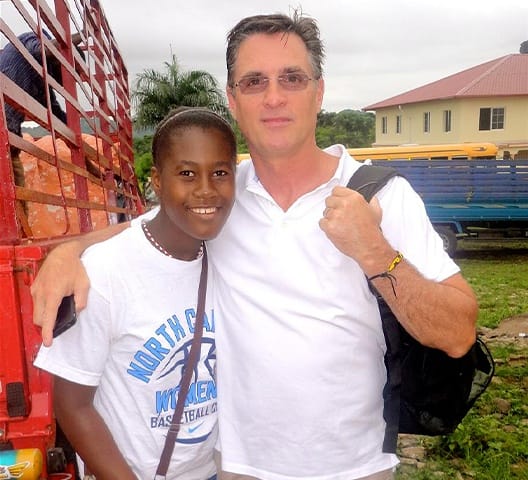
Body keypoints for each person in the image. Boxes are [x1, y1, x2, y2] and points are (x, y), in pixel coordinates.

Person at [31, 10, 478, 480]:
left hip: (357, 467)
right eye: (253, 82)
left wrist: (373, 251)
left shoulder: (381, 196)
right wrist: (68, 251)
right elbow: (147, 229)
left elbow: (457, 333)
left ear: (319, 92)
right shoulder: (221, 196)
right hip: (240, 468)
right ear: (233, 99)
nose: (274, 97)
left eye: (292, 78)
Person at [34, 107, 237, 480]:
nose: (206, 188)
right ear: (157, 182)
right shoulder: (104, 273)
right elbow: (72, 404)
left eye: (220, 173)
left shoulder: (229, 250)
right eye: (187, 173)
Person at [0, 31, 82, 187]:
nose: (67, 84)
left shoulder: (42, 78)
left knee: (18, 205)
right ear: (61, 62)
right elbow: (44, 50)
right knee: (16, 205)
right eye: (70, 76)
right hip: (4, 142)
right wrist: (84, 34)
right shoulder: (35, 41)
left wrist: (92, 168)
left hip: (8, 145)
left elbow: (62, 124)